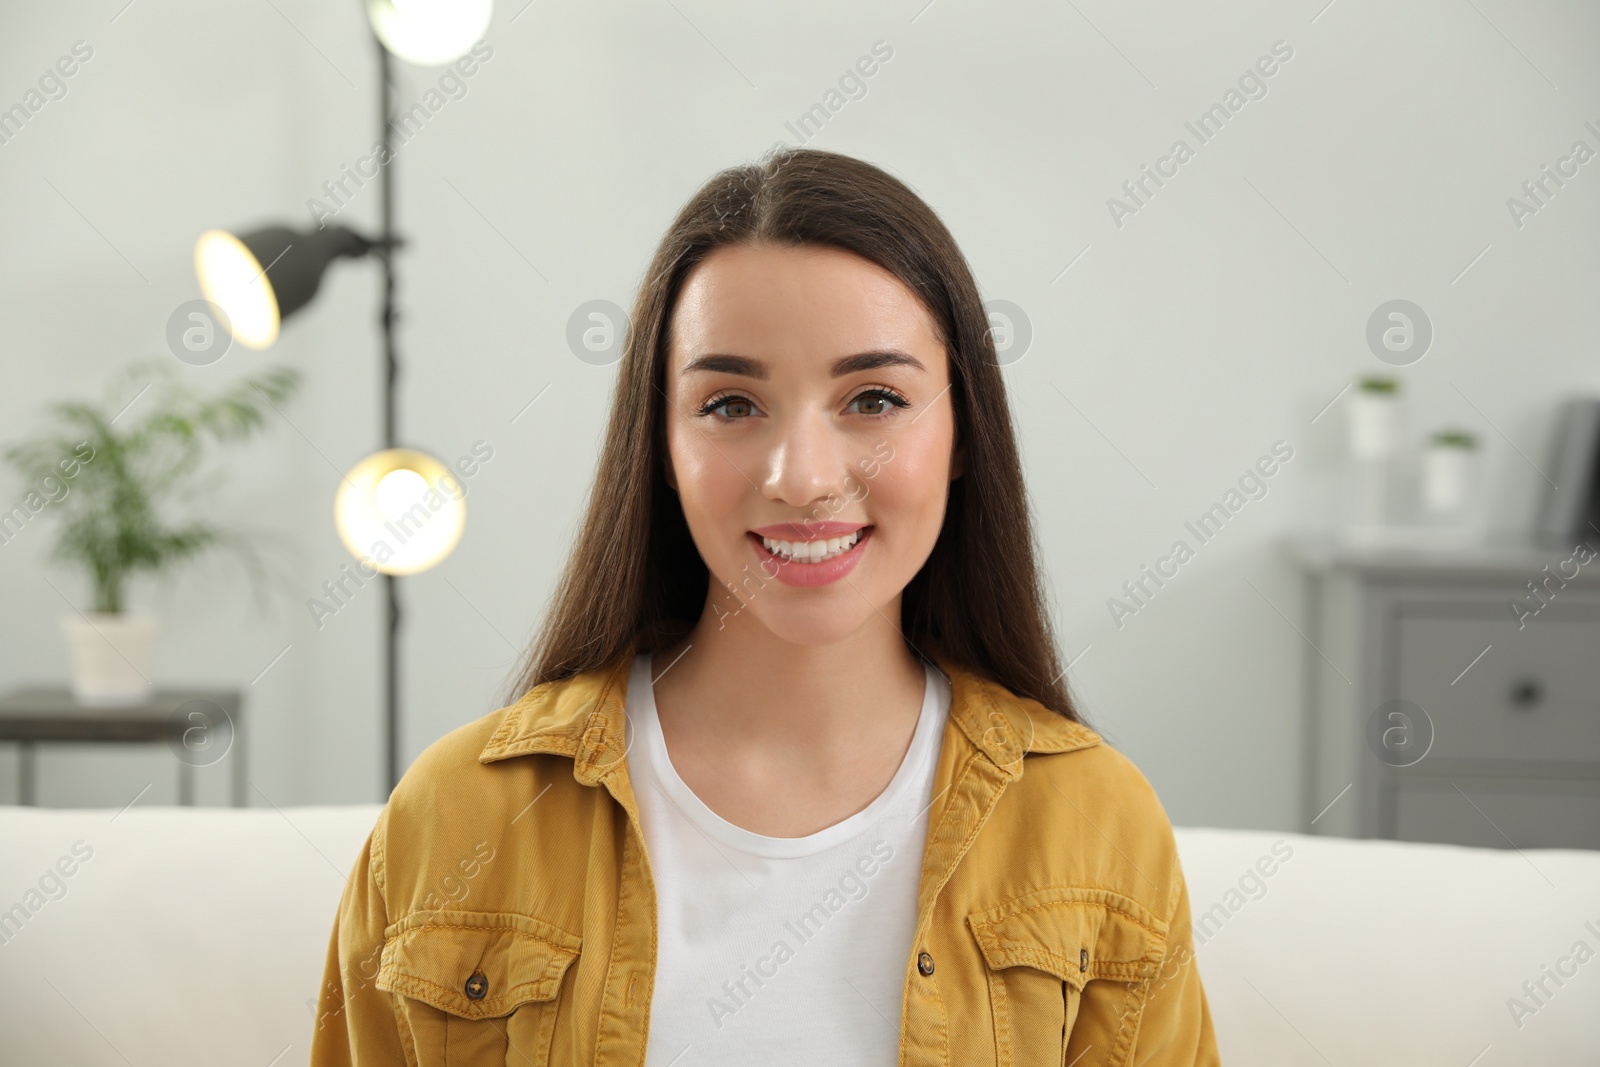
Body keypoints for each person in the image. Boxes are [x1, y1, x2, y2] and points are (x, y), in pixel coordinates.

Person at [309, 147, 1219, 1066]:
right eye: (732, 405)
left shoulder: (1096, 822)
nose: (804, 478)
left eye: (873, 398)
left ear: (961, 434)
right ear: (660, 443)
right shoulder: (456, 817)